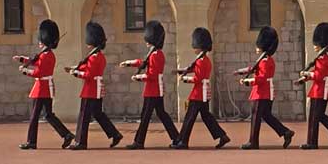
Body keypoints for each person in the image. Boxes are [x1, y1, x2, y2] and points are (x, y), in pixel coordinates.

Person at [15, 19, 74, 150]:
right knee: (48, 115)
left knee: (34, 116)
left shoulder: (46, 56)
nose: (39, 43)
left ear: (45, 40)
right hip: (46, 88)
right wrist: (21, 59)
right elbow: (34, 61)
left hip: (41, 88)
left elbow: (38, 72)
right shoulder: (47, 54)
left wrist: (25, 71)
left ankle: (31, 142)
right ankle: (66, 135)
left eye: (41, 40)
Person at [120, 20, 179, 149]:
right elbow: (144, 62)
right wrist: (130, 62)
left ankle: (139, 142)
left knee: (146, 116)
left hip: (154, 89)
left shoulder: (156, 55)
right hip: (154, 89)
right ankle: (176, 137)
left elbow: (152, 74)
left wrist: (138, 77)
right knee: (161, 114)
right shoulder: (154, 54)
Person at [66, 21, 123, 150]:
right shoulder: (98, 56)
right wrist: (75, 68)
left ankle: (80, 142)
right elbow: (87, 68)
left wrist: (75, 73)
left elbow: (88, 74)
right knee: (98, 113)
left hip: (91, 89)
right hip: (96, 88)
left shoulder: (93, 57)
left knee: (84, 115)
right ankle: (115, 134)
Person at [171, 27, 230, 149]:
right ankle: (222, 136)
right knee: (206, 117)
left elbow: (197, 78)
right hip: (203, 92)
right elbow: (194, 69)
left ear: (200, 45)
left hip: (199, 93)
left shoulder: (202, 61)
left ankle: (183, 141)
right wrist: (181, 71)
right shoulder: (203, 60)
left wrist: (184, 79)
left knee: (189, 118)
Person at [239, 26, 295, 150]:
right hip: (264, 92)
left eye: (258, 45)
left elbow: (261, 78)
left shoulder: (265, 61)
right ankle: (285, 132)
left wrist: (248, 82)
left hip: (262, 93)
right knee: (266, 116)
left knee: (255, 116)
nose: (257, 47)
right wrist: (242, 72)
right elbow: (255, 70)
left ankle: (253, 142)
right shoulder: (265, 60)